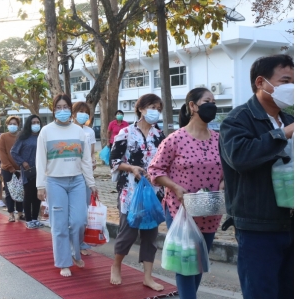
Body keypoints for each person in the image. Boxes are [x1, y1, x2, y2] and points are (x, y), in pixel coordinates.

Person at [219, 55, 294, 299]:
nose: (291, 87)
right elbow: (240, 157)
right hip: (258, 227)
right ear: (261, 82)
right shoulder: (237, 120)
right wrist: (282, 134)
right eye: (286, 80)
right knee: (261, 292)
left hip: (289, 223)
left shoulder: (289, 119)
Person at [148, 88, 224, 299]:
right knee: (185, 262)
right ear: (193, 106)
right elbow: (155, 170)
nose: (212, 105)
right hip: (180, 210)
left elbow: (229, 168)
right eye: (207, 101)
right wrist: (174, 186)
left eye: (214, 102)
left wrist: (225, 181)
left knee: (198, 261)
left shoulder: (220, 139)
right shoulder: (175, 139)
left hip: (210, 211)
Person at [108, 94, 166, 290]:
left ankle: (148, 276)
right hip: (130, 192)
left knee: (150, 235)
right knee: (128, 233)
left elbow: (166, 162)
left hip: (154, 192)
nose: (155, 111)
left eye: (158, 108)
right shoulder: (125, 132)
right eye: (151, 106)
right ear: (141, 109)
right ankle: (116, 265)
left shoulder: (159, 135)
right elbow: (114, 161)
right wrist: (132, 168)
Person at [36, 94, 97, 277]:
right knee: (60, 225)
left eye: (65, 107)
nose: (62, 110)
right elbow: (40, 160)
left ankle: (76, 253)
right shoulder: (46, 131)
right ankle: (63, 262)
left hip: (78, 181)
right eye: (58, 107)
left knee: (79, 221)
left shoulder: (79, 131)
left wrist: (91, 183)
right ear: (53, 110)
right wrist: (41, 185)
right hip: (55, 182)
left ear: (71, 109)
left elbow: (86, 159)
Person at [72, 101, 97, 255]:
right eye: (80, 111)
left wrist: (93, 162)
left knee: (85, 209)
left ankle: (81, 242)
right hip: (72, 174)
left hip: (86, 174)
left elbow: (92, 152)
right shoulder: (69, 130)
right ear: (73, 113)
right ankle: (72, 242)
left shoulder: (90, 132)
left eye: (86, 112)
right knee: (74, 211)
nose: (83, 115)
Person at [11, 115, 43, 229]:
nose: (36, 124)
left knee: (38, 195)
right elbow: (14, 152)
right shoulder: (23, 137)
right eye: (33, 122)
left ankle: (35, 218)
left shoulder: (42, 136)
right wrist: (22, 162)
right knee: (28, 195)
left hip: (41, 170)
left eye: (37, 122)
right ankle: (28, 220)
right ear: (29, 124)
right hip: (28, 170)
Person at [0, 116, 24, 222]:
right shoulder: (3, 137)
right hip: (7, 169)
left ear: (18, 125)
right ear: (7, 125)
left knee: (20, 191)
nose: (13, 126)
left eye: (15, 124)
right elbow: (2, 153)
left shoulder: (22, 137)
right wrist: (10, 167)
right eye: (11, 124)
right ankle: (11, 213)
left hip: (20, 169)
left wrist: (22, 165)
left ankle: (20, 213)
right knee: (9, 192)